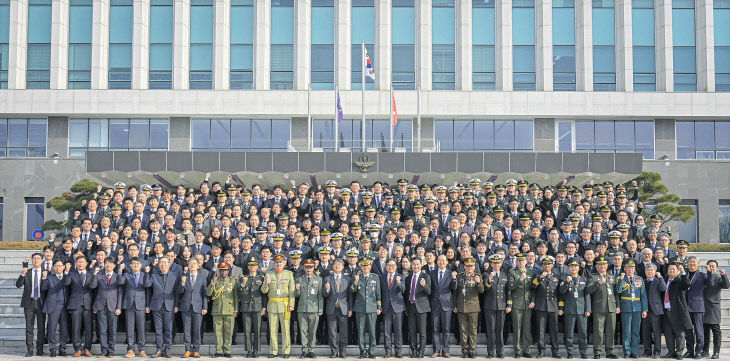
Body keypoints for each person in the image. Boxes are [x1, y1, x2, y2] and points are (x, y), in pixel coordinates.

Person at [261, 254, 296, 358]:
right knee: (272, 330)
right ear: (274, 264)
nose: (278, 264)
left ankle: (286, 351)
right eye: (276, 263)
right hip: (272, 304)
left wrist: (291, 304)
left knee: (286, 329)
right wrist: (266, 284)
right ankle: (273, 351)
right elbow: (264, 291)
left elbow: (292, 291)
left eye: (280, 262)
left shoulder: (289, 274)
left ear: (284, 263)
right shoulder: (269, 274)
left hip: (285, 305)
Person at [586, 256, 620, 359]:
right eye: (600, 264)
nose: (602, 266)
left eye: (604, 264)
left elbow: (616, 293)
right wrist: (598, 283)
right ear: (596, 266)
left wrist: (617, 305)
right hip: (599, 307)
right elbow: (588, 290)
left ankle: (610, 351)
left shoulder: (611, 276)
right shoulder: (593, 277)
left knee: (611, 330)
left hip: (611, 307)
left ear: (607, 265)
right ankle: (597, 351)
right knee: (598, 331)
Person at [89, 257, 123, 357]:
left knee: (112, 330)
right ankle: (103, 350)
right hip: (101, 306)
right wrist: (94, 275)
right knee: (102, 330)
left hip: (113, 306)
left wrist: (119, 307)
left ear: (114, 265)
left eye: (110, 264)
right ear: (104, 264)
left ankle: (111, 350)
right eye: (106, 263)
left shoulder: (118, 276)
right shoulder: (99, 276)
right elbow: (92, 286)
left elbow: (120, 293)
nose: (108, 265)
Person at [146, 256, 179, 358]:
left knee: (168, 329)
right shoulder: (154, 275)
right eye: (161, 263)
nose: (163, 265)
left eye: (165, 263)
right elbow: (147, 285)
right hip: (156, 306)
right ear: (158, 265)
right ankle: (159, 349)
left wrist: (176, 305)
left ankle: (168, 349)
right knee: (158, 329)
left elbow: (176, 292)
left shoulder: (174, 276)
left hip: (169, 305)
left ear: (169, 264)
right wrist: (148, 273)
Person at [615, 259, 648, 358]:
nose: (630, 269)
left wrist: (644, 309)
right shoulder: (620, 278)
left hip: (637, 307)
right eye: (628, 267)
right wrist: (621, 279)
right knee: (626, 330)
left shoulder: (639, 279)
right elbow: (618, 291)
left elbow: (643, 295)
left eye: (632, 267)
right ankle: (627, 351)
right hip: (626, 307)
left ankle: (634, 351)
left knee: (635, 331)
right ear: (624, 268)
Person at [559, 257, 591, 359]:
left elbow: (587, 295)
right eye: (571, 266)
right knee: (569, 333)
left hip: (582, 310)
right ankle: (570, 352)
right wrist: (567, 282)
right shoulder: (564, 279)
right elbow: (561, 293)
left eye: (576, 266)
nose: (574, 268)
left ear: (578, 268)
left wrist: (588, 309)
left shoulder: (583, 279)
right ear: (568, 268)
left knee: (583, 333)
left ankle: (583, 352)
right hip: (569, 309)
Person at [177, 258, 209, 358]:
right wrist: (182, 283)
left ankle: (196, 350)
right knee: (186, 329)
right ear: (188, 265)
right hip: (186, 307)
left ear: (198, 266)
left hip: (198, 307)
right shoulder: (183, 277)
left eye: (194, 263)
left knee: (197, 329)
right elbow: (179, 292)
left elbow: (204, 294)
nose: (192, 265)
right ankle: (187, 349)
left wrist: (205, 307)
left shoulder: (202, 277)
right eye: (190, 263)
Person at [119, 256, 149, 357]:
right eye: (133, 263)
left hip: (141, 304)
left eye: (137, 263)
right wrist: (120, 271)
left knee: (141, 327)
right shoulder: (127, 275)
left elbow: (148, 287)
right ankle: (130, 349)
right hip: (129, 304)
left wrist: (147, 305)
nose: (135, 265)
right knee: (130, 328)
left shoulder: (145, 275)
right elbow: (120, 282)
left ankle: (141, 349)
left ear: (141, 265)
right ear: (130, 265)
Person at [206, 262, 238, 358]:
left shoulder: (232, 281)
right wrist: (213, 283)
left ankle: (227, 350)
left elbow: (235, 296)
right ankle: (219, 350)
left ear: (228, 271)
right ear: (219, 271)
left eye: (225, 270)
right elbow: (208, 293)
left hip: (229, 310)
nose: (224, 272)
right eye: (222, 270)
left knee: (229, 332)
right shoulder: (215, 280)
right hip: (217, 310)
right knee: (217, 332)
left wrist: (236, 309)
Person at [351, 258, 382, 359]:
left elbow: (378, 293)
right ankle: (362, 351)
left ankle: (371, 350)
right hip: (360, 308)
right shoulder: (357, 277)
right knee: (361, 331)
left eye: (368, 266)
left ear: (370, 266)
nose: (366, 267)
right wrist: (355, 282)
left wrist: (379, 307)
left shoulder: (375, 277)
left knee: (372, 331)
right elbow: (352, 290)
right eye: (364, 266)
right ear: (361, 267)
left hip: (372, 307)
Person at [64, 255, 94, 357]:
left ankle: (87, 348)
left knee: (88, 328)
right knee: (76, 327)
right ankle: (77, 348)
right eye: (78, 262)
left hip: (88, 304)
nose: (80, 263)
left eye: (82, 262)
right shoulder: (72, 274)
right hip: (75, 304)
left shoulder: (91, 274)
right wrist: (67, 272)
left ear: (86, 264)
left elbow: (93, 288)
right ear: (75, 264)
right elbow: (66, 283)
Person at [17, 253, 46, 357]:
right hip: (29, 303)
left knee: (41, 327)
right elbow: (18, 285)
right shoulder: (27, 272)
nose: (36, 260)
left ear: (42, 260)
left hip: (41, 303)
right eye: (34, 258)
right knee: (29, 327)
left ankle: (40, 349)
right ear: (31, 261)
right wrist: (22, 275)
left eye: (38, 258)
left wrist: (45, 278)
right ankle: (29, 349)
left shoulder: (45, 272)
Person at [322, 259, 352, 358]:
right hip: (332, 308)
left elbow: (350, 296)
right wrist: (327, 289)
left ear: (343, 267)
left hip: (343, 309)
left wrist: (350, 309)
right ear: (333, 266)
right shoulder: (327, 278)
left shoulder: (348, 279)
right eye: (335, 264)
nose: (337, 266)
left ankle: (343, 351)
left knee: (344, 332)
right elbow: (324, 294)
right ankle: (334, 351)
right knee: (332, 331)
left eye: (339, 265)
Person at [294, 259, 324, 358]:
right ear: (304, 267)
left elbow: (320, 295)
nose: (309, 269)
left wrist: (320, 309)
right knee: (303, 331)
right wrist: (297, 289)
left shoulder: (318, 279)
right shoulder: (299, 279)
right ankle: (304, 350)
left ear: (313, 268)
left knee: (312, 331)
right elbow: (296, 295)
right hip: (302, 309)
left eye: (310, 267)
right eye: (307, 267)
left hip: (314, 309)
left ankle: (311, 350)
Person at [507, 253, 535, 358]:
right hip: (517, 303)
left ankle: (527, 350)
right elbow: (510, 287)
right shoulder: (512, 272)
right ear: (516, 262)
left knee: (527, 328)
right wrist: (520, 279)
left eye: (523, 261)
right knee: (517, 327)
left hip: (528, 304)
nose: (521, 262)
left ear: (526, 261)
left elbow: (533, 288)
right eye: (519, 260)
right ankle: (517, 350)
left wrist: (533, 300)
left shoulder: (531, 272)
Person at [455, 258, 484, 359]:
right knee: (463, 330)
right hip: (461, 306)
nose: (470, 268)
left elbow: (481, 291)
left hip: (473, 307)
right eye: (468, 266)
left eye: (472, 266)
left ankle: (472, 350)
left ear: (474, 267)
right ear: (465, 267)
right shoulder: (459, 276)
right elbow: (456, 292)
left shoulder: (478, 276)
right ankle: (464, 350)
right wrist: (455, 305)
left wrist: (479, 282)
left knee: (473, 330)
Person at [663, 261, 692, 360]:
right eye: (670, 269)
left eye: (673, 269)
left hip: (677, 311)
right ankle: (671, 352)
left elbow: (687, 284)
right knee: (668, 333)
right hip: (666, 311)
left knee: (679, 333)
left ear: (677, 271)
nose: (671, 270)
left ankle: (679, 351)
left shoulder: (680, 280)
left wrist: (683, 272)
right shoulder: (666, 279)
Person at [684, 254, 711, 359]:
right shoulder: (684, 274)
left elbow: (710, 284)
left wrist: (709, 272)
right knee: (688, 331)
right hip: (685, 306)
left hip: (698, 306)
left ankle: (699, 352)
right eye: (690, 261)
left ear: (698, 264)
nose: (692, 263)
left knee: (699, 331)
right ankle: (690, 351)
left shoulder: (702, 275)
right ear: (687, 263)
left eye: (694, 261)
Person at [532, 256, 560, 358]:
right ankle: (541, 351)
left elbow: (560, 293)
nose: (547, 266)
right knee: (540, 330)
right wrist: (540, 278)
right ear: (542, 265)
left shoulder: (556, 276)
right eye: (545, 264)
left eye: (549, 264)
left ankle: (555, 351)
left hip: (553, 306)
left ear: (552, 265)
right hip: (541, 306)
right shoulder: (537, 275)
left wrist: (560, 307)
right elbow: (533, 286)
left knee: (554, 329)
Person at [41, 260, 69, 357]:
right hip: (53, 306)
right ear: (53, 267)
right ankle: (52, 348)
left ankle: (62, 348)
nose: (58, 267)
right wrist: (44, 278)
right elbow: (43, 288)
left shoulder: (67, 277)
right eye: (56, 266)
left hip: (65, 306)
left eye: (60, 266)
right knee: (52, 328)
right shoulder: (49, 278)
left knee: (64, 328)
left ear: (64, 266)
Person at [430, 254, 457, 358]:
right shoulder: (431, 273)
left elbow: (454, 288)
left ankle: (446, 350)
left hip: (447, 304)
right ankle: (436, 350)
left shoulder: (450, 273)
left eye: (443, 260)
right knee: (435, 328)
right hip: (435, 304)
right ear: (437, 262)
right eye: (439, 260)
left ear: (447, 262)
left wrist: (454, 279)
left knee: (446, 329)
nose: (441, 262)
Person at [404, 257, 431, 358]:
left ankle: (421, 351)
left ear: (421, 265)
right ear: (411, 265)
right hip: (411, 306)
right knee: (412, 330)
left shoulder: (426, 276)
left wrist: (424, 285)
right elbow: (406, 293)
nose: (416, 266)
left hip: (422, 307)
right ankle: (414, 350)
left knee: (422, 331)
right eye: (414, 264)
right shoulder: (408, 277)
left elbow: (429, 292)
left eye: (418, 264)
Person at [702, 260, 729, 359]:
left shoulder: (718, 278)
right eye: (709, 266)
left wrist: (724, 275)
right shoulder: (704, 277)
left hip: (714, 307)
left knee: (716, 330)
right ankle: (705, 351)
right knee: (705, 331)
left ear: (717, 268)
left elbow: (726, 285)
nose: (711, 268)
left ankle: (716, 352)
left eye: (713, 266)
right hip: (703, 306)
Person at [240, 259, 266, 358]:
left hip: (257, 306)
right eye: (250, 265)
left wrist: (263, 307)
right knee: (247, 330)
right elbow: (239, 293)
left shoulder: (261, 278)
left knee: (257, 330)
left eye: (254, 265)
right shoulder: (243, 278)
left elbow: (264, 294)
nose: (252, 267)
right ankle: (249, 350)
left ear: (257, 267)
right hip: (246, 306)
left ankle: (256, 350)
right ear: (248, 267)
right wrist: (243, 283)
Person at [642, 263, 666, 359]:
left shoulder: (658, 280)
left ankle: (657, 352)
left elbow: (663, 288)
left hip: (655, 310)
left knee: (656, 332)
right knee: (645, 332)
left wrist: (660, 277)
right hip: (644, 310)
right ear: (645, 272)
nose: (649, 272)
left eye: (651, 270)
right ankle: (647, 351)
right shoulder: (642, 281)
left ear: (655, 271)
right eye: (648, 270)